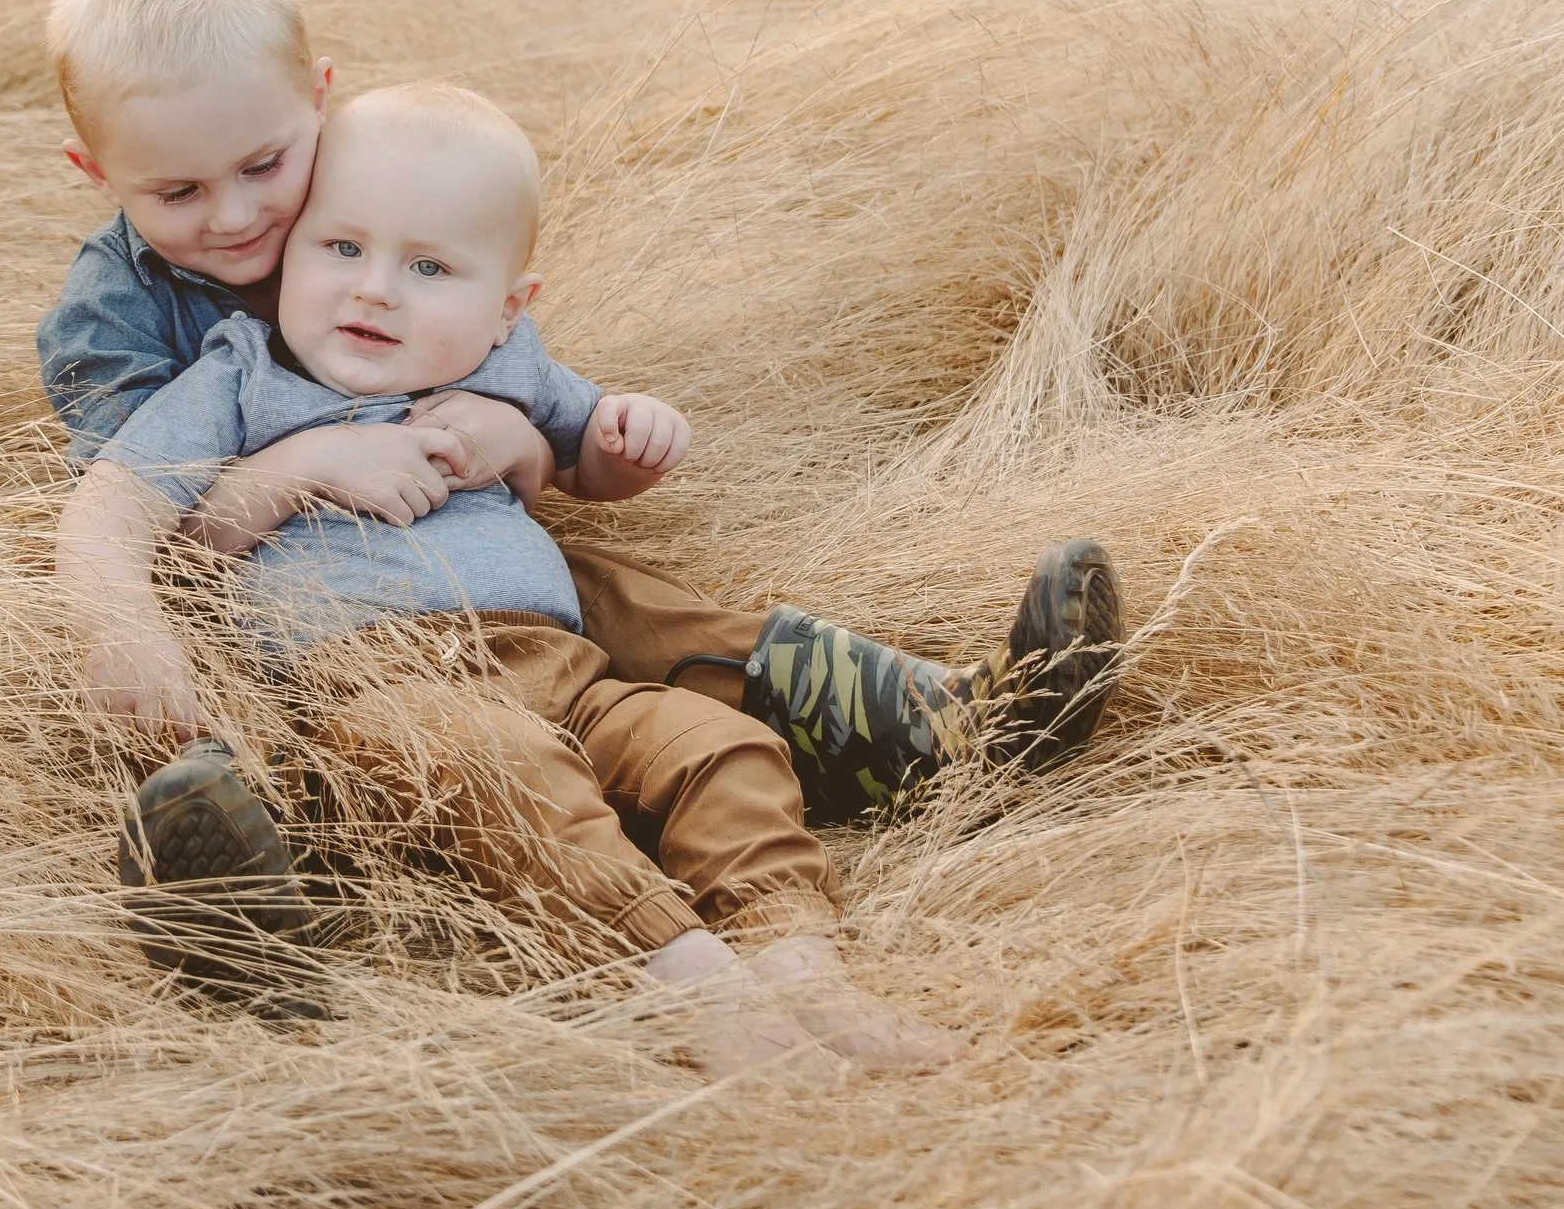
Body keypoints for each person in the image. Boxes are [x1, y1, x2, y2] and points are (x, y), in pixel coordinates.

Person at [37, 0, 1122, 827]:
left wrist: (529, 441)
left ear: (317, 101)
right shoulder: (115, 314)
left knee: (617, 599)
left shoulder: (371, 188)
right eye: (177, 190)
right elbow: (161, 542)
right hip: (293, 606)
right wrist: (306, 462)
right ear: (99, 176)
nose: (235, 217)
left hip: (456, 538)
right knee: (303, 724)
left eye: (264, 165)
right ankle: (240, 859)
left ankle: (948, 721)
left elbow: (502, 375)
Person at [57, 79, 950, 1074]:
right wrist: (160, 592)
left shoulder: (502, 364)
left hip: (565, 669)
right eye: (340, 247)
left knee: (720, 745)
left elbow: (590, 463)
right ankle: (693, 983)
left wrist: (624, 442)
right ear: (289, 251)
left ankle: (798, 957)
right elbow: (124, 509)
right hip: (382, 689)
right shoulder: (241, 374)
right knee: (503, 771)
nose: (374, 289)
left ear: (507, 308)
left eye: (429, 266)